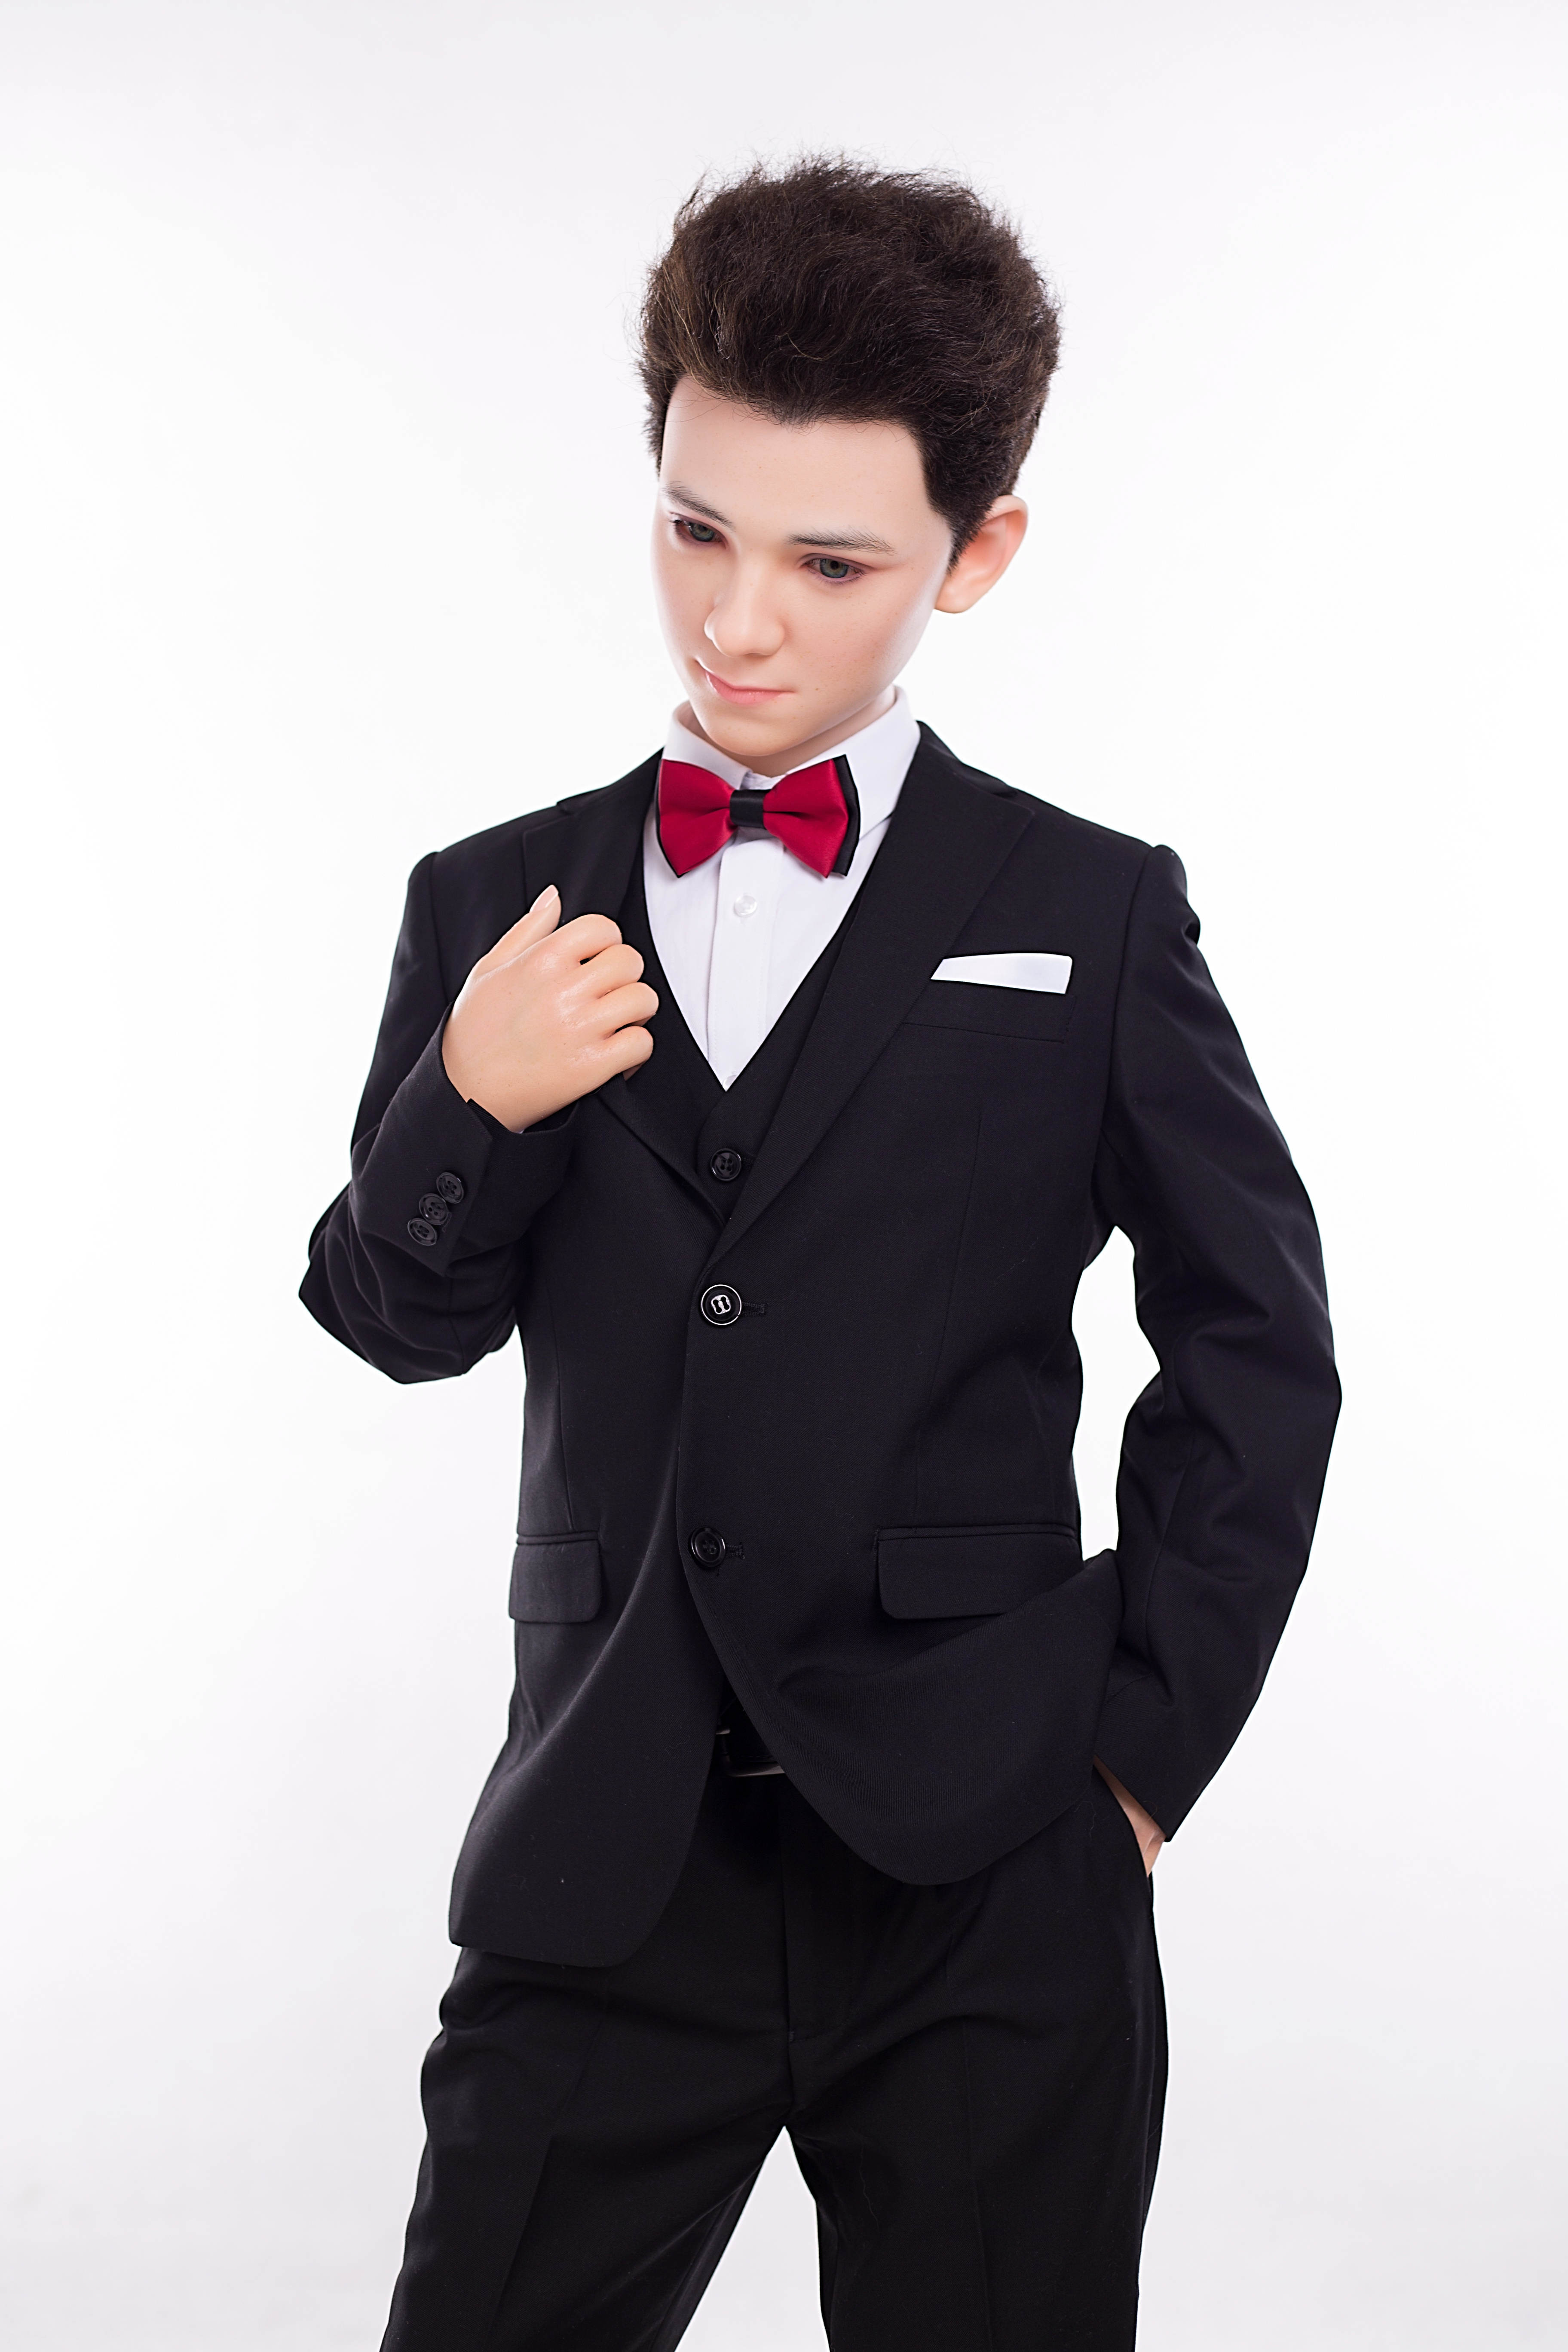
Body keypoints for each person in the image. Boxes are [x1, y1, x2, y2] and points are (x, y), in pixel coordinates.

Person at [302, 157, 1339, 2352]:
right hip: (604, 1858)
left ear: (980, 553)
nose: (736, 622)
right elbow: (393, 1320)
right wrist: (467, 1100)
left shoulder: (1093, 912)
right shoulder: (493, 897)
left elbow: (1257, 1343)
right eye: (696, 530)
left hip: (986, 1864)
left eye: (828, 562)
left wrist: (1133, 1770)